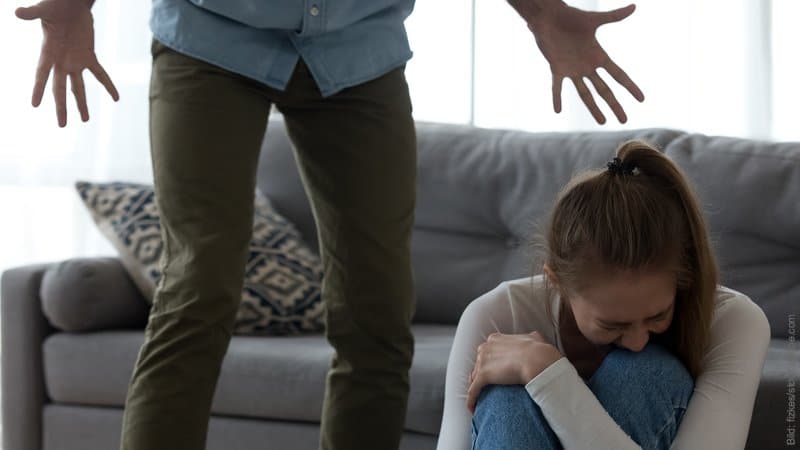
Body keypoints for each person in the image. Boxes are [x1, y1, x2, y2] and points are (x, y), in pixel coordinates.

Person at [15, 1, 646, 449]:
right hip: (210, 36)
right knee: (200, 286)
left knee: (377, 306)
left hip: (357, 48)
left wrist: (540, 11)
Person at [436, 141, 771, 449]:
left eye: (658, 316)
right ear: (558, 283)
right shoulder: (495, 315)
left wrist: (545, 372)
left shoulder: (735, 320)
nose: (639, 340)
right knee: (506, 396)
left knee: (648, 373)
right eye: (614, 324)